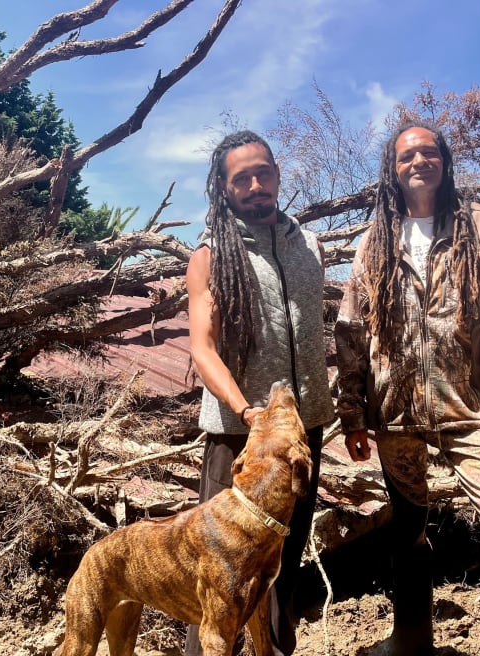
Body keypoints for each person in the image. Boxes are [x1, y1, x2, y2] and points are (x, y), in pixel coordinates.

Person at [334, 120, 480, 656]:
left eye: (429, 152)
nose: (419, 162)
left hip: (469, 408)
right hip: (394, 413)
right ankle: (411, 640)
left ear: (444, 161)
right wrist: (353, 412)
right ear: (392, 169)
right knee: (406, 524)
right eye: (407, 156)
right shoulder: (375, 241)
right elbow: (351, 330)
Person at [185, 130, 334, 656]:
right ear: (223, 189)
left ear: (276, 174)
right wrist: (246, 411)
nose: (254, 185)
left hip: (304, 430)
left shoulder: (308, 245)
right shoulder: (210, 255)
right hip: (239, 436)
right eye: (240, 178)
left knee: (283, 560)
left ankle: (276, 649)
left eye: (262, 173)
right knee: (221, 569)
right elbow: (203, 349)